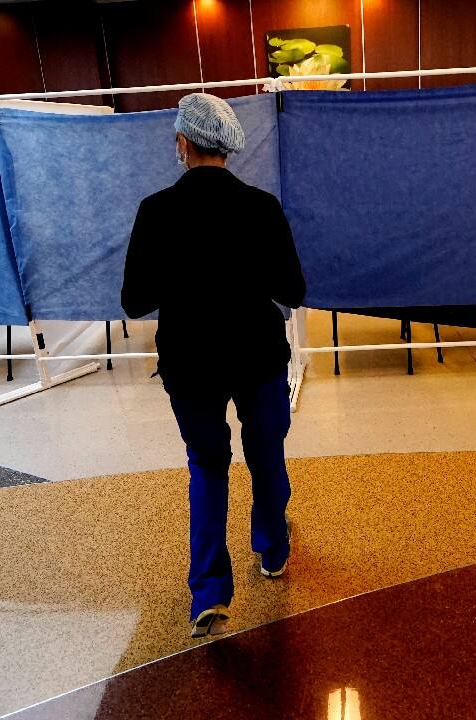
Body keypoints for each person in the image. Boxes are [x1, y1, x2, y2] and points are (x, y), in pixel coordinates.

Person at [121, 93, 306, 638]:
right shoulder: (262, 208)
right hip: (258, 355)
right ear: (227, 149)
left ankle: (208, 590)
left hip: (190, 362)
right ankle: (272, 551)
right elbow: (292, 291)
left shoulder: (155, 211)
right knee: (265, 452)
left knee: (207, 463)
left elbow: (134, 300)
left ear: (182, 144)